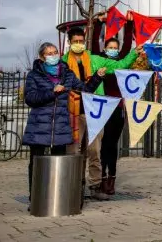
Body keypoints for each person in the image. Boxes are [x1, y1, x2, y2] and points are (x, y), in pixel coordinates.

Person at [62, 26, 140, 201]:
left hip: (95, 111)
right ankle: (74, 186)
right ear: (69, 43)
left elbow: (120, 64)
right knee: (74, 150)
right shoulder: (63, 62)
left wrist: (134, 52)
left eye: (81, 42)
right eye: (75, 42)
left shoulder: (95, 59)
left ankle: (95, 186)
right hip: (73, 112)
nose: (79, 44)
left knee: (95, 151)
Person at [23, 42, 104, 207]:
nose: (53, 55)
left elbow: (85, 90)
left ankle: (56, 199)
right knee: (36, 163)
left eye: (55, 52)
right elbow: (30, 98)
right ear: (42, 57)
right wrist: (51, 92)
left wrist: (97, 77)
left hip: (60, 126)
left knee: (59, 163)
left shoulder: (68, 74)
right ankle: (36, 199)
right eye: (49, 53)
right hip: (39, 127)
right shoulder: (34, 75)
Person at [91, 13, 135, 195]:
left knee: (112, 146)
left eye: (115, 47)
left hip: (117, 110)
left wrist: (129, 24)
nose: (113, 50)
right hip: (102, 108)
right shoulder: (100, 61)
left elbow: (127, 46)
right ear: (104, 48)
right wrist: (98, 24)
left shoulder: (121, 62)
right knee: (102, 146)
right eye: (109, 47)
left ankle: (111, 179)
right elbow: (94, 45)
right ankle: (101, 179)